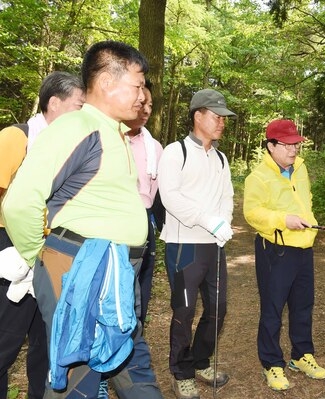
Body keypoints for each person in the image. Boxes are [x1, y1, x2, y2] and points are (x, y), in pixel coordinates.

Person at [1, 40, 163, 398]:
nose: (142, 95)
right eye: (137, 85)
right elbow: (19, 203)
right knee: (77, 379)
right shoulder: (77, 127)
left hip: (115, 276)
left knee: (129, 362)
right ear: (107, 82)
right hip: (81, 273)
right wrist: (40, 258)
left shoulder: (113, 133)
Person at [0, 71, 84, 399]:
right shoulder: (15, 138)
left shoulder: (70, 150)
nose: (83, 115)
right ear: (54, 103)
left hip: (51, 251)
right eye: (79, 106)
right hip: (11, 250)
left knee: (46, 343)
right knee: (6, 341)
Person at [157, 88, 235, 399]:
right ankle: (181, 371)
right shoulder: (176, 152)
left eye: (223, 118)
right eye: (216, 116)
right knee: (184, 310)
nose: (221, 123)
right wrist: (208, 220)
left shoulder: (220, 157)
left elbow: (227, 195)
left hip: (213, 245)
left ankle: (201, 361)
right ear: (197, 116)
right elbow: (170, 197)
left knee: (218, 307)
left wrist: (224, 223)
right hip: (184, 245)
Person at [243, 119, 325, 392]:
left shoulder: (300, 169)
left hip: (304, 246)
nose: (293, 150)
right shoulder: (258, 177)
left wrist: (307, 219)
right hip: (275, 249)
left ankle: (301, 355)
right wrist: (283, 219)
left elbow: (307, 199)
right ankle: (271, 362)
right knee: (273, 308)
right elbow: (252, 213)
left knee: (303, 304)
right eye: (287, 145)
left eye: (296, 144)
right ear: (271, 146)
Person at [124, 79, 163, 325]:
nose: (147, 110)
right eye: (142, 103)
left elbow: (157, 193)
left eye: (150, 105)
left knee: (142, 285)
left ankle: (136, 338)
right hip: (117, 223)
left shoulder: (155, 148)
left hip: (144, 223)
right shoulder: (112, 139)